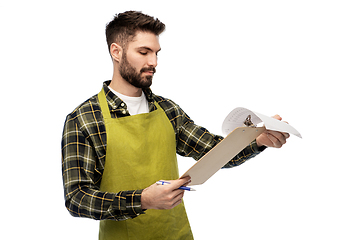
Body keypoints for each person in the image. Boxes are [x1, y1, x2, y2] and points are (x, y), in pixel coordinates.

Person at [61, 11, 289, 240]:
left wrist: (258, 141)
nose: (154, 62)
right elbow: (77, 198)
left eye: (156, 53)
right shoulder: (84, 119)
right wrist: (142, 200)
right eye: (143, 52)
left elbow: (214, 152)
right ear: (116, 52)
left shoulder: (168, 111)